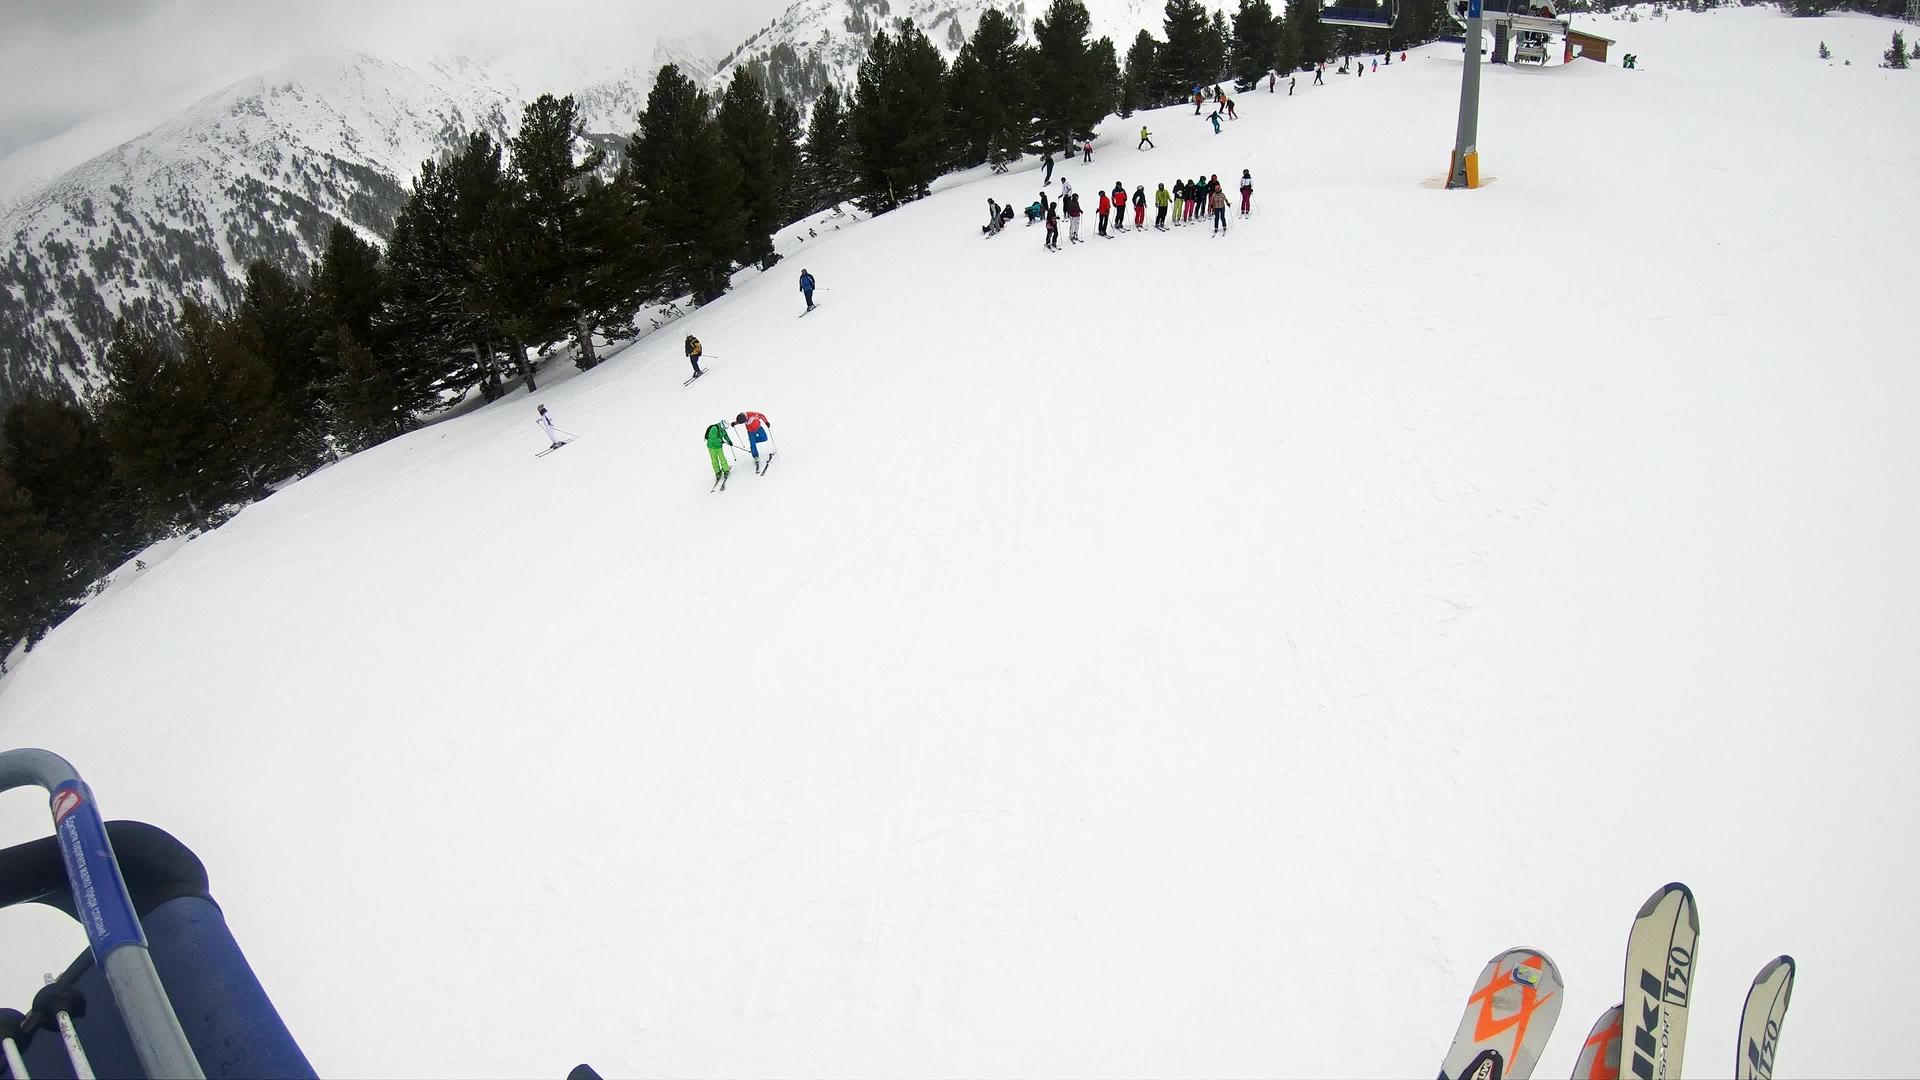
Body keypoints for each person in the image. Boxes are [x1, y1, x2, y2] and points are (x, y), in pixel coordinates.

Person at [704, 420, 734, 488]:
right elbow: (712, 438)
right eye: (724, 428)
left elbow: (725, 435)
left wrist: (729, 441)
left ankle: (726, 470)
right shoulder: (714, 428)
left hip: (718, 446)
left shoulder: (722, 429)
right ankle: (717, 472)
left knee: (722, 458)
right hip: (711, 447)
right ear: (722, 425)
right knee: (714, 460)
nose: (724, 429)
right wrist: (720, 440)